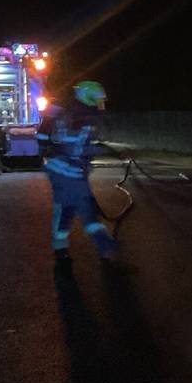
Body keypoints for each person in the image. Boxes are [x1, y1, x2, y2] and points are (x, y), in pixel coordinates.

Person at [37, 80, 118, 268]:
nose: (101, 105)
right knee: (79, 211)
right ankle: (102, 247)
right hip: (67, 173)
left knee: (71, 209)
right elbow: (76, 149)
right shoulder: (79, 118)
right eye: (97, 100)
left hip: (67, 172)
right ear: (88, 98)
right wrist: (102, 150)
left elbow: (51, 138)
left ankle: (63, 250)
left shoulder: (73, 114)